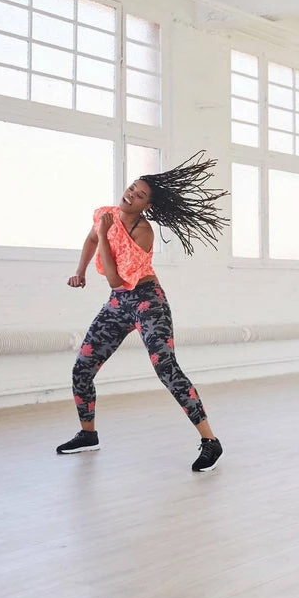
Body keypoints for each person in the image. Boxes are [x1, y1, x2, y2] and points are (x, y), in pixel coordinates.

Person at [56, 152, 230, 472]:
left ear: (146, 206)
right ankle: (88, 434)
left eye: (139, 196)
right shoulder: (105, 215)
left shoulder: (143, 232)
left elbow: (115, 278)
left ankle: (210, 441)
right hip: (118, 303)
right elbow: (92, 239)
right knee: (82, 367)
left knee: (166, 367)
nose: (131, 195)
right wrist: (80, 271)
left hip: (148, 302)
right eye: (131, 188)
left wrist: (106, 235)